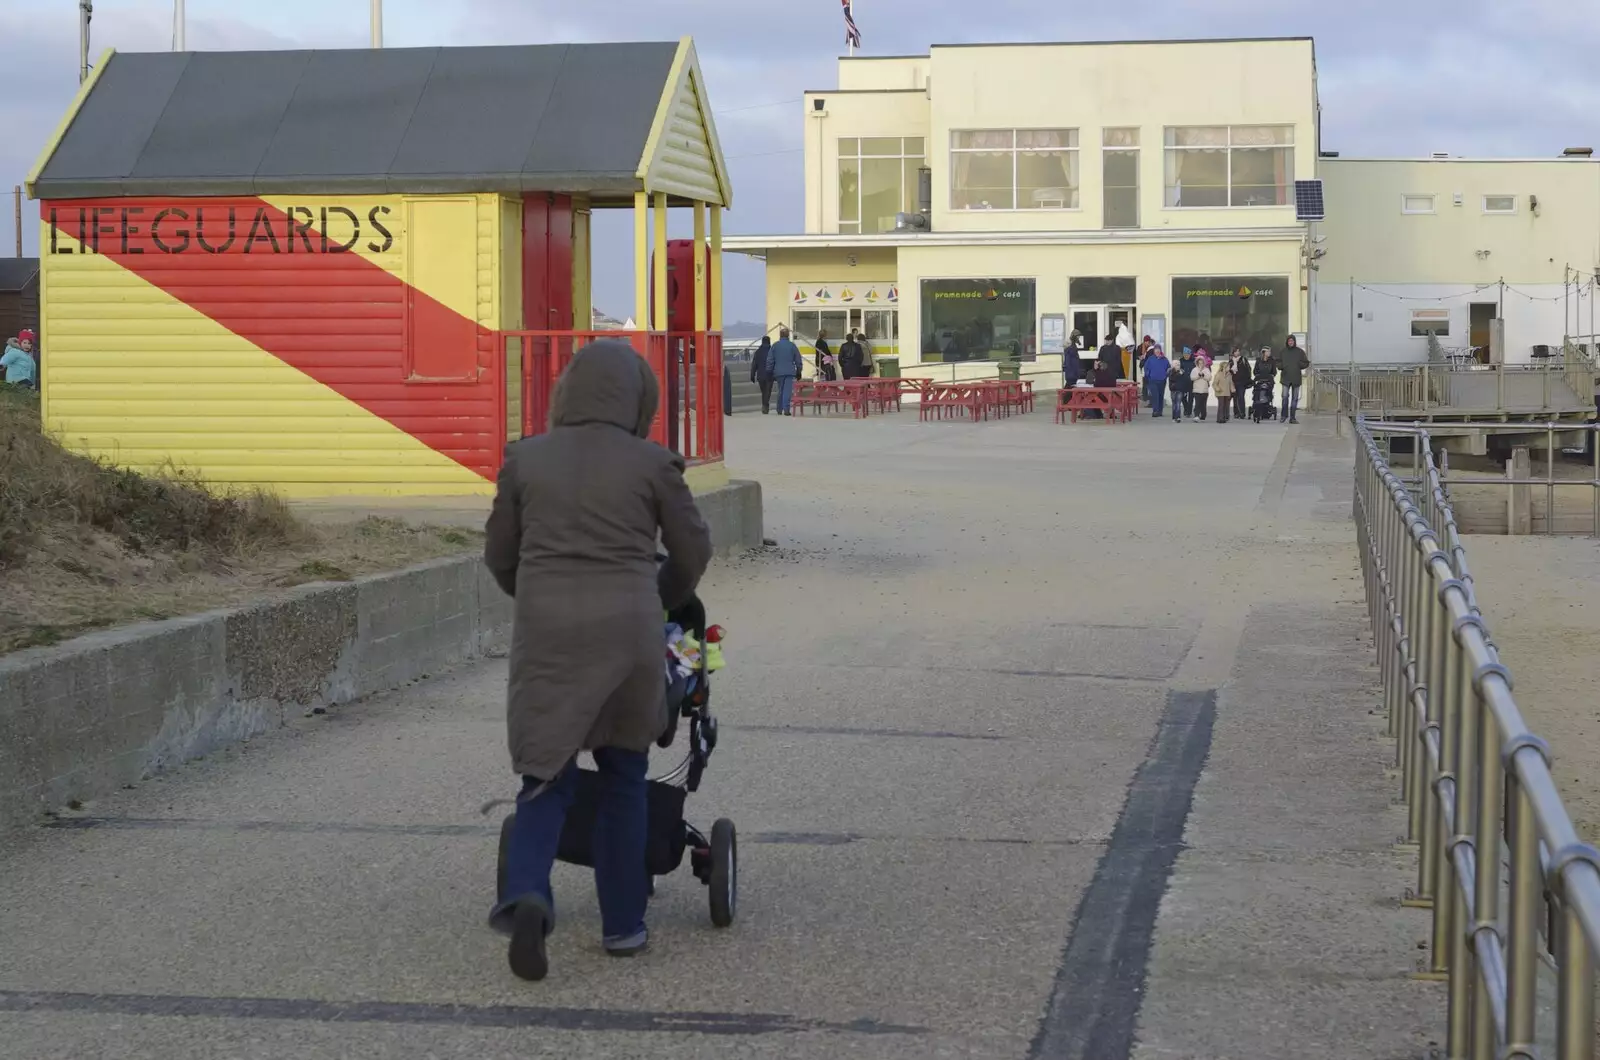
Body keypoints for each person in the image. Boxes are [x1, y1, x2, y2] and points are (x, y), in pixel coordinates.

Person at [483, 340, 713, 982]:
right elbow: (693, 552)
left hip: (548, 636)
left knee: (544, 779)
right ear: (639, 400)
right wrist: (658, 598)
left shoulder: (526, 459)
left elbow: (501, 554)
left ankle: (528, 893)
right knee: (622, 778)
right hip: (630, 635)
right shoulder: (652, 463)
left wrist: (533, 598)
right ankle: (623, 928)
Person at [770, 327, 803, 415]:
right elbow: (798, 359)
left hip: (778, 372)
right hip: (789, 371)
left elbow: (770, 360)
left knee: (780, 390)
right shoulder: (792, 345)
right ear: (788, 335)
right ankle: (786, 409)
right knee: (787, 391)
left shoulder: (775, 345)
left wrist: (770, 371)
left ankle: (779, 408)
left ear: (780, 335)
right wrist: (799, 370)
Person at [1278, 335, 1309, 424]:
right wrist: (1282, 366)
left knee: (1294, 399)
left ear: (1294, 342)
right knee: (1284, 397)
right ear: (1287, 342)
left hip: (1296, 378)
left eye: (1292, 341)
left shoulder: (1299, 352)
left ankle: (1292, 417)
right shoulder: (1283, 352)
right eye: (1289, 341)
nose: (1291, 342)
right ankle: (1284, 416)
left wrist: (1299, 365)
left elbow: (1306, 363)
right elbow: (1278, 362)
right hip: (1285, 378)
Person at [749, 335, 774, 414]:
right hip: (770, 374)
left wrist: (752, 375)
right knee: (768, 391)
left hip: (760, 375)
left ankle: (764, 405)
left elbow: (754, 364)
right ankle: (765, 405)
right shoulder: (772, 351)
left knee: (763, 391)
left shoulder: (758, 352)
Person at [1143, 344, 1170, 418]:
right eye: (1156, 349)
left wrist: (1165, 375)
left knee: (1161, 396)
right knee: (1155, 395)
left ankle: (1160, 411)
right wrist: (1148, 375)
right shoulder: (1150, 359)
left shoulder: (1165, 359)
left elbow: (1168, 369)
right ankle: (1155, 411)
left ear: (1160, 350)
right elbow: (1146, 368)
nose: (1157, 351)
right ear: (1154, 351)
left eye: (1158, 349)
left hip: (1162, 380)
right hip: (1153, 380)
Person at [1170, 347, 1196, 422]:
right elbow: (1177, 370)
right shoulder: (1180, 361)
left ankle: (1188, 412)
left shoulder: (1193, 361)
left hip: (1191, 381)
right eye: (1185, 354)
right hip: (1183, 382)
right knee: (1183, 397)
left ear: (1190, 354)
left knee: (1191, 397)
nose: (1186, 356)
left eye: (1188, 354)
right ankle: (1186, 408)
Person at [1212, 350, 1235, 423]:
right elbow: (1214, 383)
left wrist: (1232, 389)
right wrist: (1217, 388)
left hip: (1227, 392)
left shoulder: (1229, 375)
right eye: (1228, 367)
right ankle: (1220, 418)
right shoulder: (1219, 374)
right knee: (1221, 406)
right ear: (1224, 367)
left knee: (1226, 406)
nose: (1229, 368)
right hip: (1220, 393)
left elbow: (1231, 383)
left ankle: (1225, 417)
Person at [1228, 347, 1251, 422]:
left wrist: (1247, 379)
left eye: (1238, 351)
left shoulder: (1243, 359)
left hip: (1242, 381)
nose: (1237, 353)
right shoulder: (1231, 361)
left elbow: (1248, 369)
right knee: (1235, 397)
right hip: (1234, 381)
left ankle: (1242, 413)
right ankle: (1236, 413)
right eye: (1235, 351)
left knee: (1241, 396)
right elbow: (1229, 371)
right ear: (1233, 353)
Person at [1190, 354, 1213, 421]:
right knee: (1197, 403)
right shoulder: (1194, 369)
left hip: (1204, 390)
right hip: (1196, 390)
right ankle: (1196, 415)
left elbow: (1209, 378)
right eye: (1199, 363)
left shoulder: (1206, 369)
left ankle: (1203, 415)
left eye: (1202, 363)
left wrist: (1203, 376)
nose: (1201, 364)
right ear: (1197, 363)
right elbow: (1192, 378)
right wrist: (1198, 376)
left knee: (1203, 404)